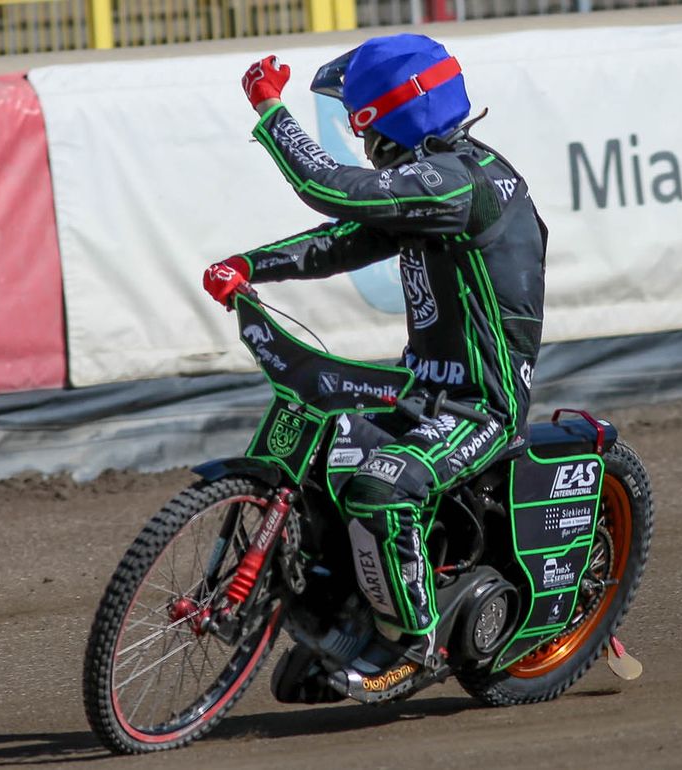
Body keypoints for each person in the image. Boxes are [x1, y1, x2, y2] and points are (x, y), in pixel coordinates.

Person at [203, 34, 546, 702]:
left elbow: (326, 187)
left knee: (380, 490)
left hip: (479, 407)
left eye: (360, 122)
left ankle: (412, 646)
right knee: (317, 458)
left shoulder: (456, 181)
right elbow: (348, 239)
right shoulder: (440, 175)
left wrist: (270, 110)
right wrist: (251, 265)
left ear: (382, 119)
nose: (361, 144)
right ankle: (345, 613)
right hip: (419, 390)